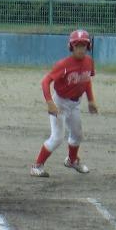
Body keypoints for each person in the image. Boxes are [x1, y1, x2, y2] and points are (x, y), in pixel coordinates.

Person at [30, 29, 98, 177]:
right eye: (77, 45)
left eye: (83, 45)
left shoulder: (89, 62)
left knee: (78, 135)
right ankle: (37, 166)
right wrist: (50, 102)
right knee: (57, 137)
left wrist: (91, 100)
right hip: (59, 103)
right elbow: (45, 81)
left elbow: (86, 81)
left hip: (75, 104)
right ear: (71, 47)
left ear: (88, 47)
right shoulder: (64, 64)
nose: (80, 49)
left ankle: (72, 160)